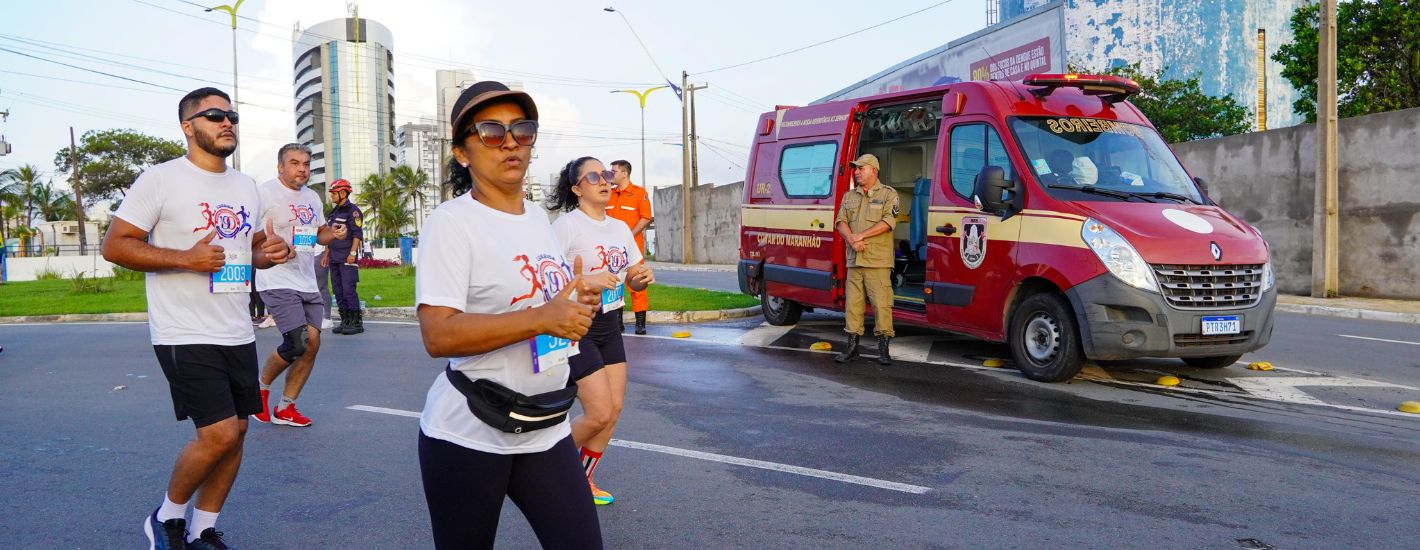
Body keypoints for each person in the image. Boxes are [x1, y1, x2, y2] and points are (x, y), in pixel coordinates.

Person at [415, 80, 604, 549]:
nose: (511, 142)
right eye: (491, 132)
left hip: (545, 425)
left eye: (521, 129)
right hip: (470, 431)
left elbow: (545, 305)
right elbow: (438, 335)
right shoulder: (451, 223)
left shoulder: (539, 219)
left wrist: (575, 303)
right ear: (462, 152)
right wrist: (542, 317)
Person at [102, 87, 293, 550]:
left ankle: (203, 527)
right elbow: (116, 244)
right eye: (213, 115)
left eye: (232, 115)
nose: (226, 122)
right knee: (220, 432)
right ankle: (165, 518)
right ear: (188, 127)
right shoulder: (162, 179)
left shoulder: (246, 186)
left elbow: (242, 254)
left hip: (235, 329)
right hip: (182, 329)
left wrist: (266, 255)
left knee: (239, 431)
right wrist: (184, 259)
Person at [547, 156, 656, 506]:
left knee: (616, 407)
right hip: (578, 325)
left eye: (607, 174)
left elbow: (632, 274)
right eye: (594, 176)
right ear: (577, 188)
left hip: (611, 324)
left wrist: (641, 277)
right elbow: (545, 280)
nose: (605, 180)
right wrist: (585, 281)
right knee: (599, 412)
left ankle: (582, 478)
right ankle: (548, 465)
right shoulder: (567, 226)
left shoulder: (620, 228)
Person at [251, 143, 342, 428]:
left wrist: (334, 234)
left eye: (306, 164)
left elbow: (317, 235)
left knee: (312, 344)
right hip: (276, 279)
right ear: (280, 166)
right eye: (294, 163)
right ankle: (261, 389)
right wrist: (274, 249)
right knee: (297, 341)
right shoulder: (264, 193)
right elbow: (252, 240)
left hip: (305, 279)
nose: (302, 168)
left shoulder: (312, 197)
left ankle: (286, 407)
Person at [834, 153, 899, 366]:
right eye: (856, 168)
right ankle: (852, 348)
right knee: (853, 306)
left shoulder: (888, 194)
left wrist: (861, 236)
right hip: (854, 259)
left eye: (861, 168)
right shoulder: (849, 196)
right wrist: (852, 240)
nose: (857, 171)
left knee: (882, 305)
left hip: (877, 261)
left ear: (874, 170)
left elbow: (889, 221)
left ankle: (883, 349)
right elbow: (840, 222)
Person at [606, 160, 653, 334]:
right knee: (614, 283)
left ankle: (640, 324)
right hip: (611, 249)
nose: (610, 175)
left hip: (633, 248)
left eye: (614, 172)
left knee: (637, 283)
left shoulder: (639, 193)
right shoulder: (608, 194)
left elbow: (646, 217)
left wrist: (629, 235)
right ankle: (617, 323)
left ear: (624, 173)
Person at [325, 178, 364, 335]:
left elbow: (357, 234)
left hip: (347, 257)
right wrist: (327, 254)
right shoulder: (333, 213)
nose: (332, 196)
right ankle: (345, 320)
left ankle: (356, 322)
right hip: (334, 257)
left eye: (334, 193)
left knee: (349, 290)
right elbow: (330, 235)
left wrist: (353, 253)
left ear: (342, 193)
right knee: (338, 291)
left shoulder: (353, 211)